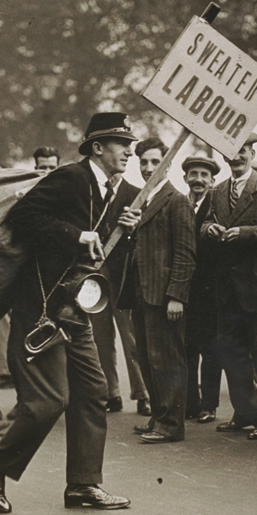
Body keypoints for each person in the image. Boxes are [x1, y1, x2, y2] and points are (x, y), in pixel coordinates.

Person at [0, 112, 137, 513]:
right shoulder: (71, 178)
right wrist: (76, 235)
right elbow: (23, 217)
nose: (129, 150)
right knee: (48, 402)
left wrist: (126, 230)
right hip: (40, 309)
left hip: (73, 311)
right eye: (121, 143)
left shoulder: (117, 191)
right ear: (98, 148)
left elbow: (106, 253)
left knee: (92, 392)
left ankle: (83, 484)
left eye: (130, 143)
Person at [201, 133, 257, 440]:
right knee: (232, 354)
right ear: (224, 157)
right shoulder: (218, 191)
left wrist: (247, 233)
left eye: (243, 151)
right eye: (231, 152)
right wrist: (209, 228)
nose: (236, 156)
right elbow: (204, 222)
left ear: (252, 153)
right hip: (227, 289)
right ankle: (245, 414)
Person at [117, 137, 196, 443]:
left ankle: (172, 424)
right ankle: (158, 416)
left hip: (164, 295)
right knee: (148, 358)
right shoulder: (144, 201)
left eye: (155, 162)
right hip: (141, 292)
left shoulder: (176, 200)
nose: (149, 168)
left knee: (168, 358)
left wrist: (176, 295)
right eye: (144, 162)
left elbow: (186, 253)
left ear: (168, 164)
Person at [90, 169, 151, 417]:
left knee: (130, 339)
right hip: (95, 277)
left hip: (123, 276)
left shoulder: (136, 194)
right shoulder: (91, 195)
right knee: (101, 338)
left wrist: (131, 228)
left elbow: (143, 238)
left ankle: (142, 394)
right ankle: (111, 393)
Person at [181, 156, 223, 423]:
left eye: (204, 175)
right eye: (193, 174)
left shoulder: (217, 205)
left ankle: (209, 406)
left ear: (212, 181)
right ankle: (190, 404)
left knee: (210, 349)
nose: (198, 179)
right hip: (184, 288)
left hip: (210, 289)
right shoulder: (180, 204)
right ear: (186, 178)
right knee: (186, 348)